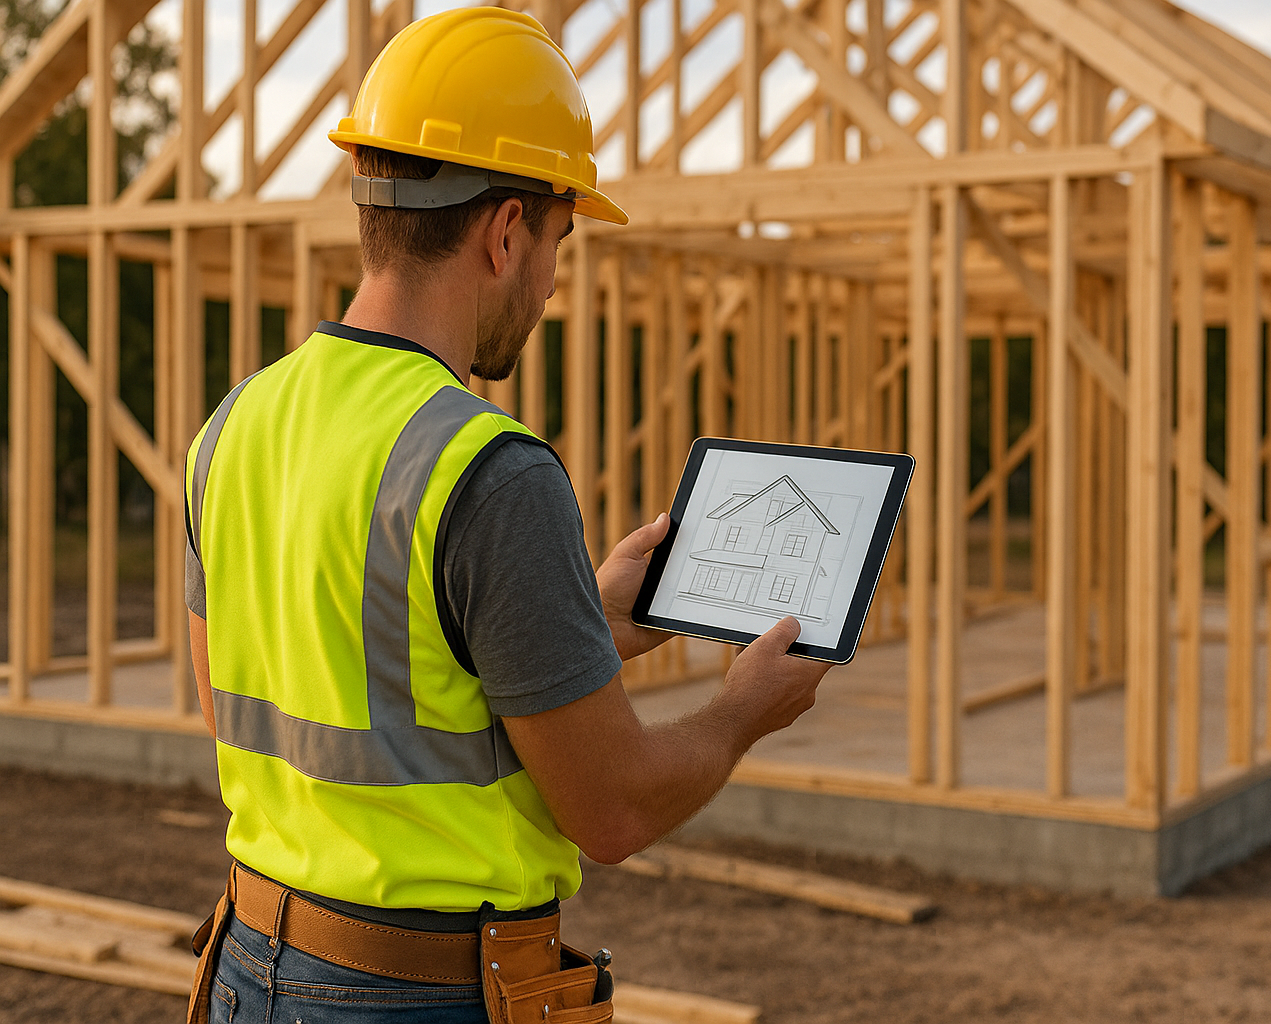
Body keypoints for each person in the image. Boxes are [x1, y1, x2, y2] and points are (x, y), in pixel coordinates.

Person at [181, 9, 831, 1023]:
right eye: (561, 241)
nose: (554, 281)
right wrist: (743, 709)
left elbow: (282, 698)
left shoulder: (233, 428)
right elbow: (612, 808)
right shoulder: (489, 468)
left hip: (249, 966)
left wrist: (587, 628)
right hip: (418, 999)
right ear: (506, 230)